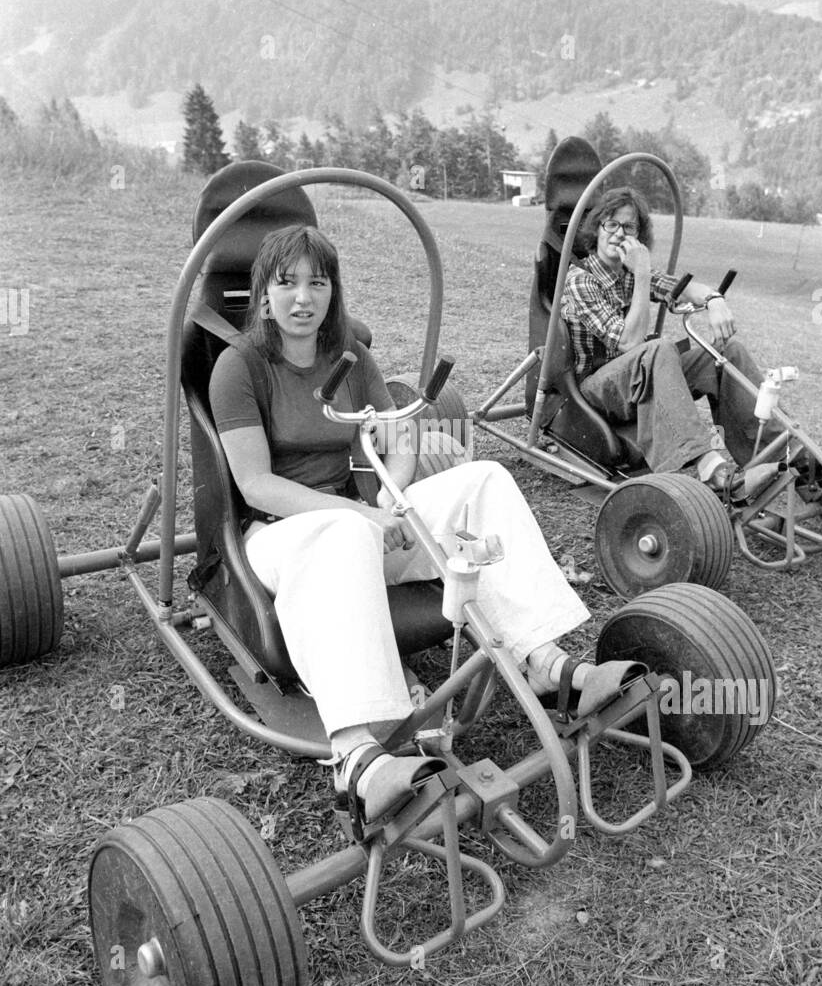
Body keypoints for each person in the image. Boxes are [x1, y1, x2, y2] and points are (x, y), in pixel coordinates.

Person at [209, 223, 634, 830]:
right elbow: (255, 484)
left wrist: (390, 492)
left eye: (317, 282)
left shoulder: (350, 357)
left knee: (482, 478)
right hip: (279, 536)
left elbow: (399, 433)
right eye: (287, 283)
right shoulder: (239, 365)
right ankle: (357, 758)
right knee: (349, 534)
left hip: (364, 519)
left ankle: (548, 666)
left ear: (333, 290)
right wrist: (363, 515)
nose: (303, 298)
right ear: (264, 292)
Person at [560, 185, 781, 495]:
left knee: (726, 352)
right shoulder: (581, 279)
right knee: (657, 348)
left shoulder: (629, 273)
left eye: (628, 227)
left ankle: (781, 454)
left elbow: (683, 288)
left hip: (638, 376)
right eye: (611, 224)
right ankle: (710, 468)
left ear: (639, 234)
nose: (618, 233)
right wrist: (643, 275)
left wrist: (715, 299)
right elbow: (630, 342)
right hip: (595, 390)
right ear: (596, 229)